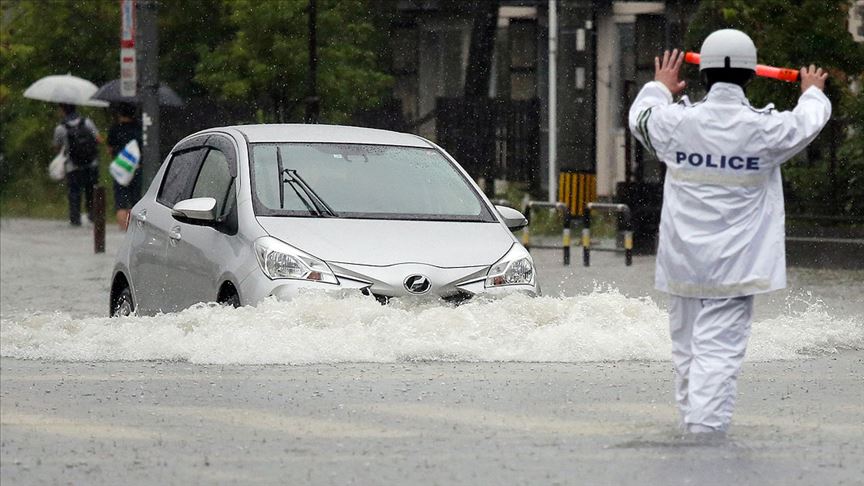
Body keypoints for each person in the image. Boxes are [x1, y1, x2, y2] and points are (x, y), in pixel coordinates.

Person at [627, 30, 831, 436]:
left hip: (683, 262)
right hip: (736, 266)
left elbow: (641, 117)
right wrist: (811, 90)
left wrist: (659, 86)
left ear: (702, 74)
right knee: (717, 355)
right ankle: (705, 441)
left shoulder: (675, 124)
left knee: (686, 353)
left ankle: (691, 428)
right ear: (751, 75)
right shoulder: (765, 131)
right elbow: (808, 122)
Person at [53, 103, 101, 226]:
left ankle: (75, 219)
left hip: (72, 166)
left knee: (74, 192)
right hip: (91, 164)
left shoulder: (60, 128)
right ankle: (92, 215)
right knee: (91, 190)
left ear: (63, 110)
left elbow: (57, 148)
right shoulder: (87, 122)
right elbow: (98, 139)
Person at [107, 102, 143, 231]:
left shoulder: (115, 129)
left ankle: (123, 229)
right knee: (135, 200)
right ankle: (132, 229)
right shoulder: (140, 129)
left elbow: (109, 150)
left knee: (120, 202)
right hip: (137, 168)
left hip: (121, 169)